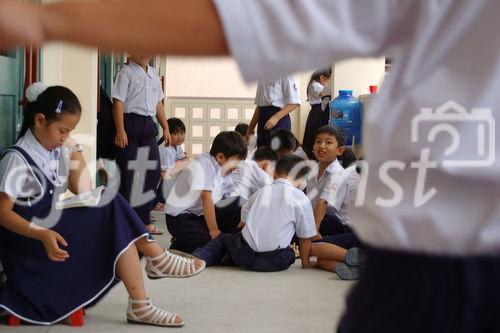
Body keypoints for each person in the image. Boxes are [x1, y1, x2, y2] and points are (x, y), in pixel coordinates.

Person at [2, 0, 500, 331]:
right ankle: (156, 260)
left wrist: (50, 22)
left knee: (124, 206)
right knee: (136, 208)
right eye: (64, 131)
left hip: (448, 253)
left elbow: (253, 22)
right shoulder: (23, 155)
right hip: (436, 255)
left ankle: (155, 263)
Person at [0, 83, 205, 327]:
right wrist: (41, 233)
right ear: (40, 120)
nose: (65, 137)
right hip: (31, 244)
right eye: (62, 130)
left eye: (70, 131)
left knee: (112, 211)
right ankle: (155, 260)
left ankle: (142, 301)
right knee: (112, 208)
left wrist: (72, 147)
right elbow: (2, 213)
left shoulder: (53, 152)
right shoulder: (17, 159)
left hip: (51, 233)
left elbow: (83, 189)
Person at [193, 155, 365, 279]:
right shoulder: (300, 198)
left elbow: (242, 223)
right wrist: (305, 264)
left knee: (225, 239)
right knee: (291, 251)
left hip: (244, 258)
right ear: (301, 179)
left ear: (275, 174)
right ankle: (351, 262)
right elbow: (306, 239)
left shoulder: (260, 193)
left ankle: (198, 259)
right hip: (275, 262)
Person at [112, 54, 169, 235]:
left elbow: (158, 103)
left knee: (152, 173)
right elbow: (118, 103)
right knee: (130, 176)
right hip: (129, 124)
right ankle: (127, 223)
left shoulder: (153, 74)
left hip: (148, 125)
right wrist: (120, 130)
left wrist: (166, 127)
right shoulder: (125, 73)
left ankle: (142, 220)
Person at [164, 131, 247, 253]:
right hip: (179, 219)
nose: (236, 167)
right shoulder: (202, 164)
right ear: (220, 157)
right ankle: (181, 243)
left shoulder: (221, 168)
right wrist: (214, 232)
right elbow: (206, 198)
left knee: (237, 203)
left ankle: (190, 239)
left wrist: (243, 218)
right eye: (235, 163)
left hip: (198, 216)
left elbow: (230, 196)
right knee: (216, 243)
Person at [216, 146, 277, 233]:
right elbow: (271, 194)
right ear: (267, 164)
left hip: (218, 204)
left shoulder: (243, 162)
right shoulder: (262, 176)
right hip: (235, 207)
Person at [306, 125, 349, 238]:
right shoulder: (314, 170)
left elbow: (323, 203)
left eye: (328, 142)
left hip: (337, 228)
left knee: (328, 221)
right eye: (318, 141)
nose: (321, 146)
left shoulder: (338, 173)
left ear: (339, 150)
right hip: (318, 221)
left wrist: (313, 232)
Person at [246, 77, 301, 148]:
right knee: (263, 152)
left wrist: (276, 117)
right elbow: (259, 107)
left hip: (279, 119)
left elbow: (295, 102)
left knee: (279, 151)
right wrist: (251, 128)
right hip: (263, 119)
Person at [153, 117, 189, 211]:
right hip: (157, 181)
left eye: (181, 133)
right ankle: (158, 201)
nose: (179, 137)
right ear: (167, 134)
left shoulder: (176, 145)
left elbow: (184, 159)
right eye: (175, 134)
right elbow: (167, 174)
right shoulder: (166, 149)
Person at [302, 68, 332, 160]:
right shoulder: (316, 85)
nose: (328, 82)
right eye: (328, 80)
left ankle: (312, 154)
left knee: (312, 134)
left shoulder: (313, 83)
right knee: (314, 134)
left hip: (316, 112)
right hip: (317, 112)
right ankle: (313, 156)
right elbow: (323, 94)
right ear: (322, 77)